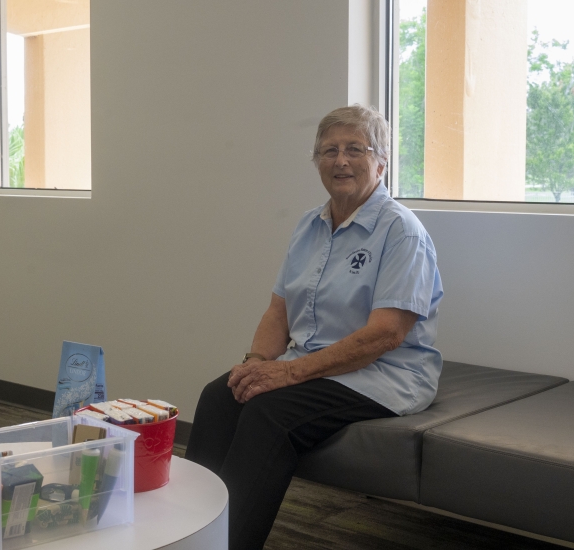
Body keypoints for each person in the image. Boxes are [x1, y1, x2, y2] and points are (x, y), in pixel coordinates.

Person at [185, 105, 443, 550]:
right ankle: (188, 533)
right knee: (222, 394)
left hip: (383, 375)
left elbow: (386, 335)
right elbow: (277, 313)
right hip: (312, 365)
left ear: (380, 162)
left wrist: (286, 373)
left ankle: (228, 544)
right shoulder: (309, 225)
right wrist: (256, 364)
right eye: (329, 151)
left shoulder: (402, 231)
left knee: (270, 415)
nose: (340, 161)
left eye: (354, 149)